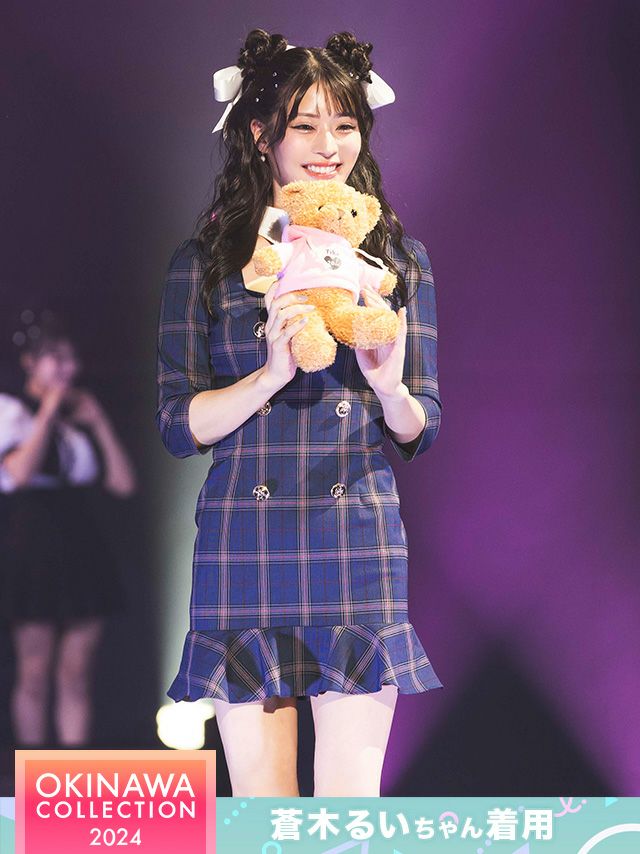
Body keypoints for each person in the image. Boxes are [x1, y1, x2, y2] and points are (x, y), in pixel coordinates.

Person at [156, 29, 444, 796]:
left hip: (356, 536)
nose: (328, 146)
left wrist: (389, 388)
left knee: (348, 811)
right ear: (261, 134)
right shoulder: (207, 265)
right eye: (306, 125)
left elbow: (421, 424)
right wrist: (270, 375)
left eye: (344, 125)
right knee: (265, 816)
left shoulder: (395, 261)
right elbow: (178, 424)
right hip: (244, 540)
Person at [0, 317, 136, 747]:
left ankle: (71, 765)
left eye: (70, 358)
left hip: (81, 541)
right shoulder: (11, 410)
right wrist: (48, 409)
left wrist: (98, 422)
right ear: (29, 362)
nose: (67, 367)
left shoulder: (79, 413)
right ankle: (32, 767)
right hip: (31, 541)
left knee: (76, 670)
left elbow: (123, 484)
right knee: (34, 669)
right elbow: (18, 474)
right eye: (55, 358)